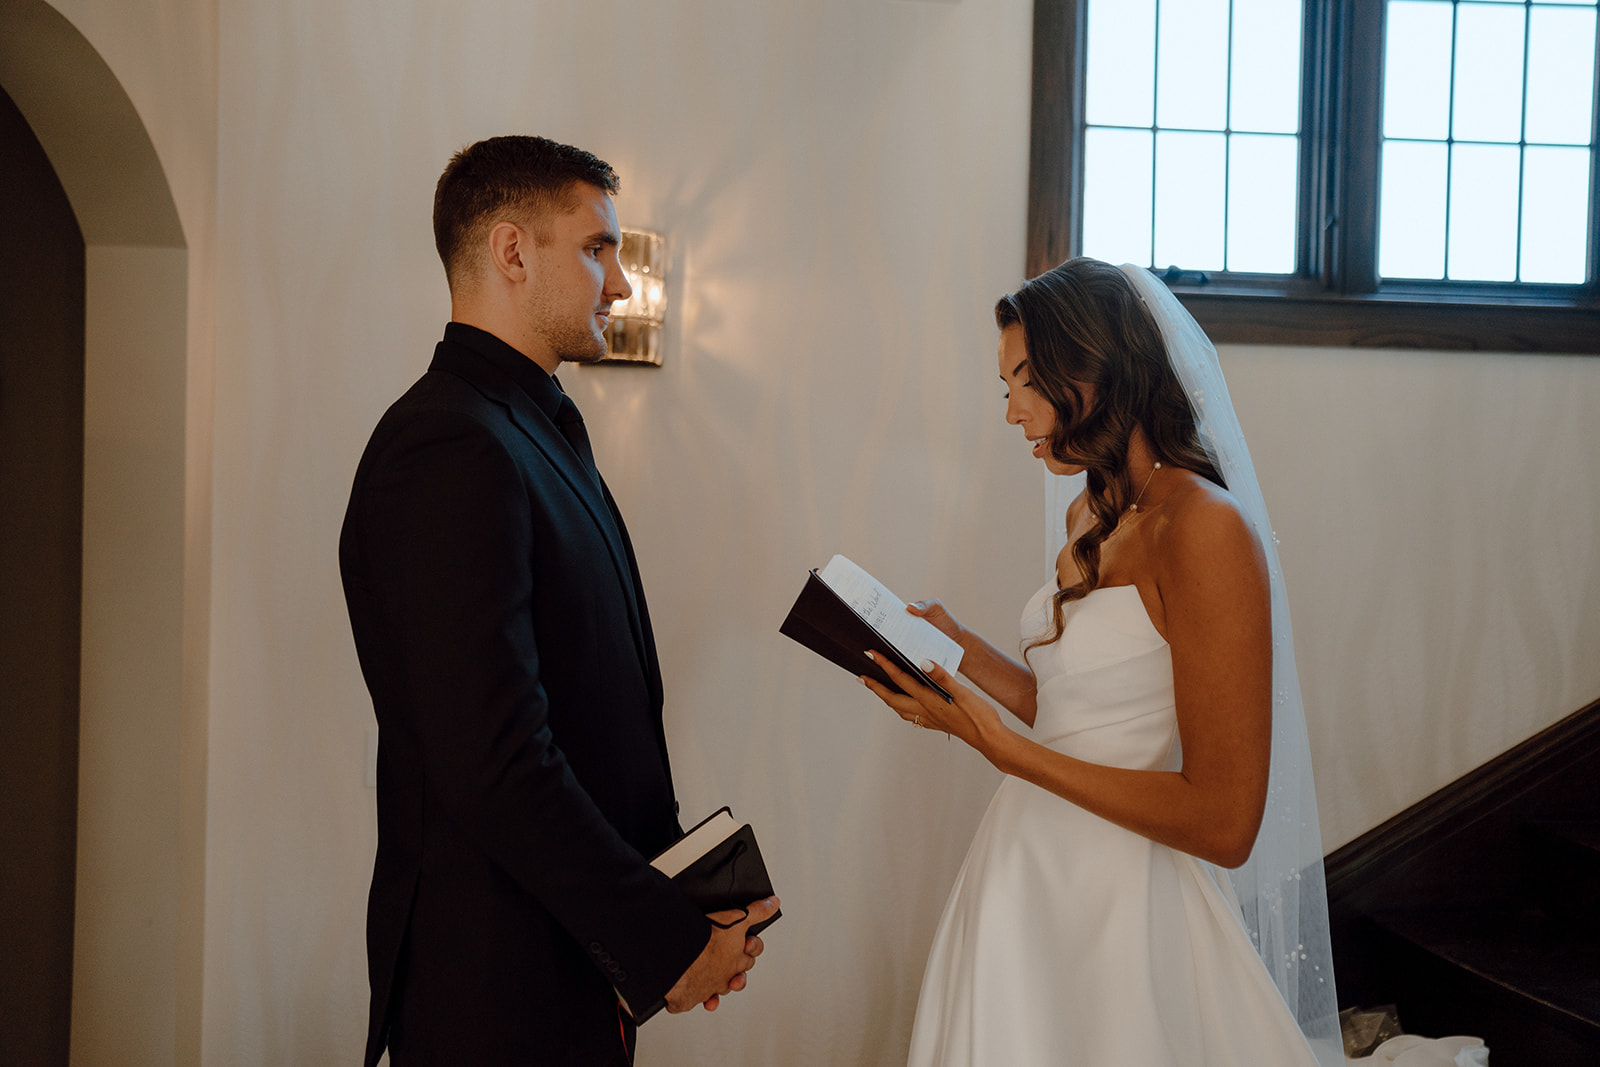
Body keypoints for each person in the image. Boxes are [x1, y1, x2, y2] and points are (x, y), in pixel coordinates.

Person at [339, 135, 777, 1066]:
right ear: (511, 251)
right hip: (499, 983)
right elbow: (496, 760)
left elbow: (590, 709)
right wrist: (661, 944)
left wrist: (679, 901)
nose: (619, 283)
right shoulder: (449, 447)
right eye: (597, 248)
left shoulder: (528, 428)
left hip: (570, 958)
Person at [861, 258, 1341, 1065]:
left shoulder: (1204, 528)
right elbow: (1081, 718)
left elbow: (1225, 823)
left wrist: (1004, 750)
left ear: (1092, 370)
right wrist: (957, 647)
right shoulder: (1100, 512)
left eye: (1025, 381)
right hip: (1024, 877)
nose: (1011, 411)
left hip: (1121, 909)